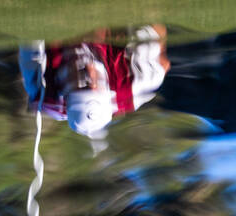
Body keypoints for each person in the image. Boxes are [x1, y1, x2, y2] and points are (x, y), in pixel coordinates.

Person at [18, 25, 170, 139]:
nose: (89, 70)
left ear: (64, 91)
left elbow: (31, 28)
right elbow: (156, 27)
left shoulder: (41, 86)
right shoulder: (138, 81)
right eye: (98, 81)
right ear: (109, 89)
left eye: (80, 83)